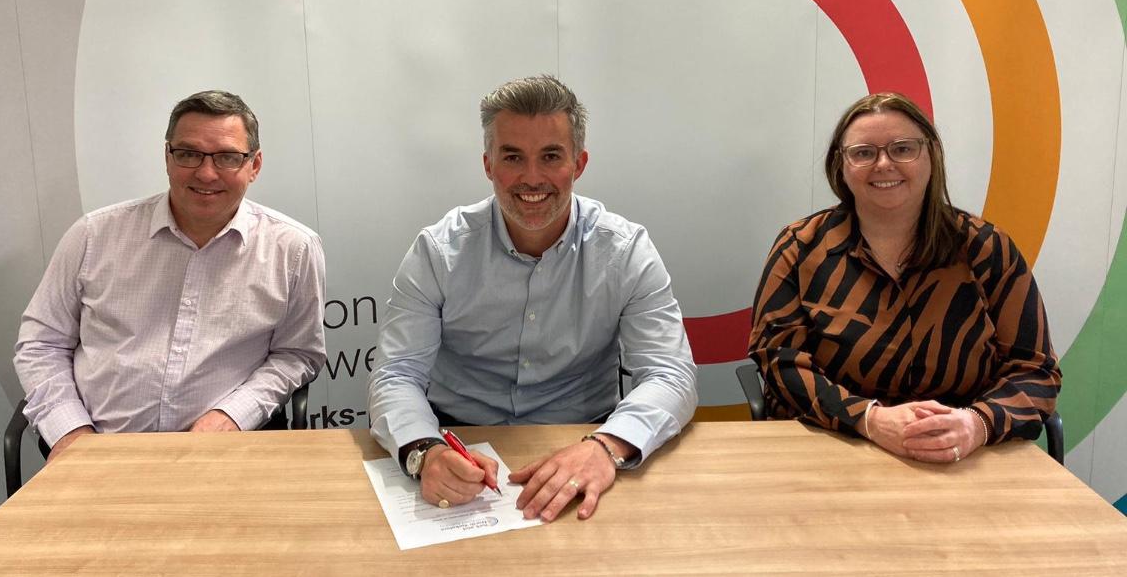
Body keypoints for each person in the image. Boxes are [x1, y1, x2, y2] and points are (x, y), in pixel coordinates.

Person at [368, 75, 697, 522]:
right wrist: (424, 450)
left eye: (550, 156)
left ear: (578, 163)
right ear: (488, 164)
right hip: (458, 441)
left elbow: (670, 374)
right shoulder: (438, 251)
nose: (532, 178)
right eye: (512, 157)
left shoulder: (624, 251)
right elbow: (397, 373)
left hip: (585, 441)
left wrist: (607, 445)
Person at [748, 92, 1061, 464]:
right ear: (841, 165)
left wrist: (975, 424)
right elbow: (778, 361)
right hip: (833, 446)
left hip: (962, 456)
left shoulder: (987, 250)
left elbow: (1035, 369)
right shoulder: (799, 248)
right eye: (863, 152)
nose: (883, 164)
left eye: (902, 148)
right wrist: (870, 419)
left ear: (931, 156)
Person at [14, 90, 327, 461]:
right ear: (167, 157)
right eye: (189, 154)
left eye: (227, 157)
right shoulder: (93, 235)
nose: (206, 172)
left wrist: (232, 415)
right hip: (98, 446)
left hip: (223, 452)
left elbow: (296, 354)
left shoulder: (293, 248)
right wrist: (70, 432)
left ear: (254, 165)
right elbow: (41, 344)